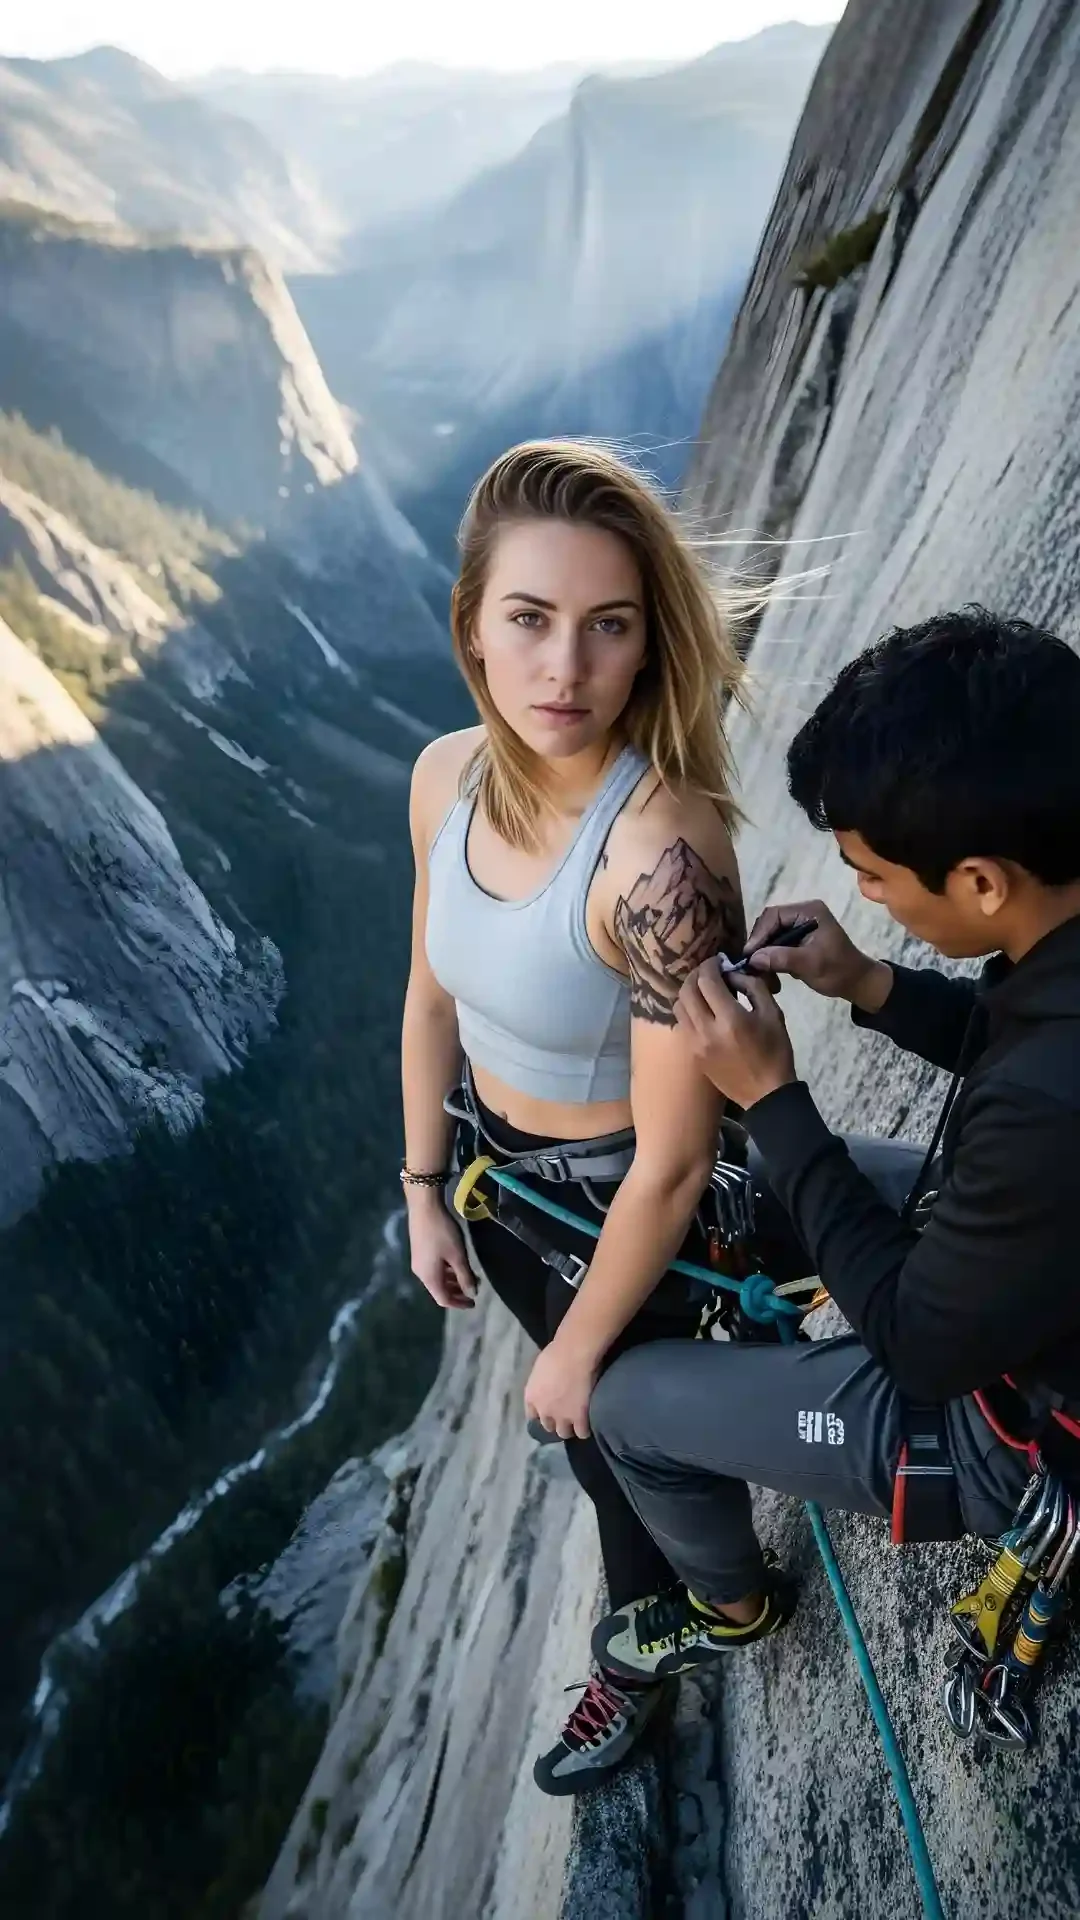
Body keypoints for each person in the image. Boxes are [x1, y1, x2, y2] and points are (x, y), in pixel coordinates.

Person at [588, 606, 1080, 1685]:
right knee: (769, 1174)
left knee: (622, 1405)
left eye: (873, 872)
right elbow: (1019, 1038)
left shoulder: (1045, 1112)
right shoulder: (1059, 942)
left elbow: (921, 1348)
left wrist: (773, 1097)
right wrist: (871, 983)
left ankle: (729, 1609)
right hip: (1035, 1258)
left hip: (1015, 1415)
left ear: (982, 881)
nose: (862, 890)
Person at [400, 438, 767, 1793]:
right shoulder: (444, 777)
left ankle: (692, 1625)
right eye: (529, 619)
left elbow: (678, 1161)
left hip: (627, 1208)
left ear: (647, 643)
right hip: (502, 1188)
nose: (566, 668)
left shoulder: (659, 853)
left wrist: (574, 1353)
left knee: (614, 1436)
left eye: (608, 625)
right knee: (601, 1438)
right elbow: (427, 998)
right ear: (472, 629)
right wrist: (425, 1187)